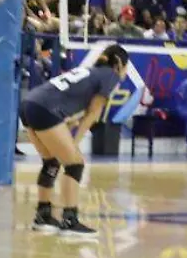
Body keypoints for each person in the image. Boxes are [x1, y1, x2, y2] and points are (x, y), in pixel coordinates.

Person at [20, 44, 130, 236]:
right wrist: (74, 143)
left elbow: (76, 108)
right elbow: (93, 115)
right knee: (75, 164)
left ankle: (43, 215)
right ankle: (69, 219)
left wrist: (70, 128)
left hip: (29, 104)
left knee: (51, 162)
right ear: (119, 63)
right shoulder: (110, 76)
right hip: (44, 109)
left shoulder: (89, 72)